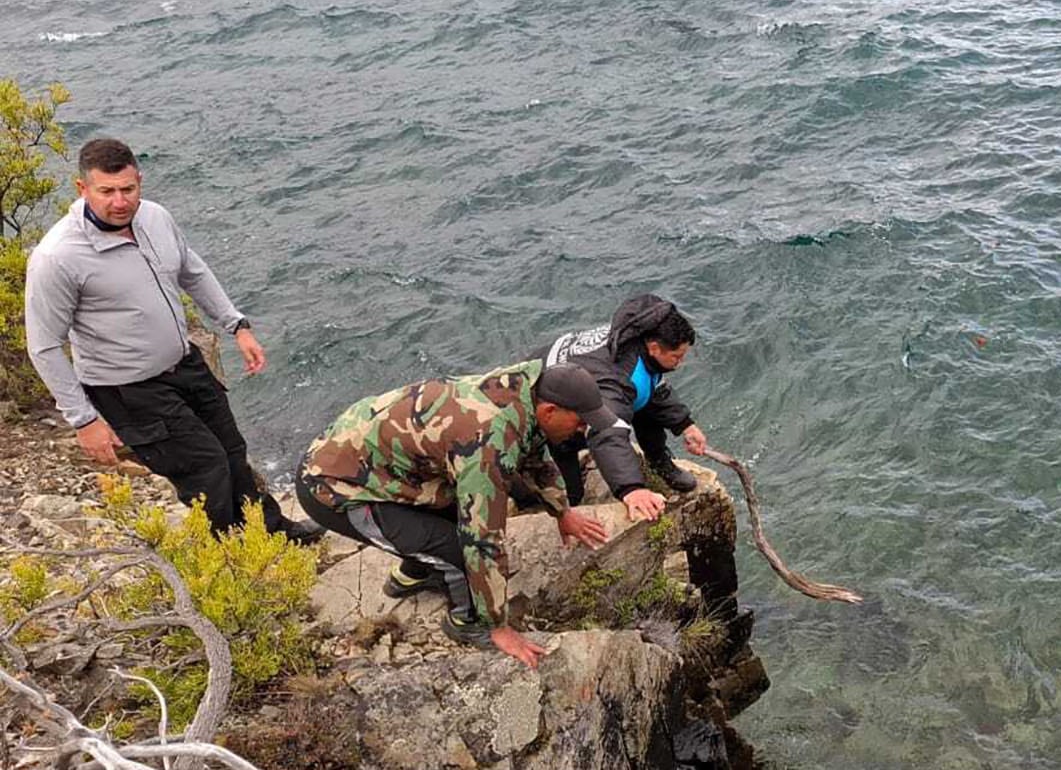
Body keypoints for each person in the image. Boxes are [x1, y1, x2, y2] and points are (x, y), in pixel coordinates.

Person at [24, 137, 323, 543]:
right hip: (128, 389)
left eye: (127, 189)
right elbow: (43, 345)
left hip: (185, 365)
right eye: (106, 191)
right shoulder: (57, 257)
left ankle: (271, 532)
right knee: (206, 468)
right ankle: (230, 560)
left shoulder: (156, 218)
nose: (119, 201)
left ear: (139, 182)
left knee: (232, 452)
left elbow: (192, 272)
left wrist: (237, 326)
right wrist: (84, 420)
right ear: (82, 189)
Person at [294, 360, 615, 666]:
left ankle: (411, 574)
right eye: (580, 422)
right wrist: (497, 624)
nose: (583, 430)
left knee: (451, 516)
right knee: (462, 554)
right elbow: (483, 540)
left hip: (380, 465)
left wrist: (562, 512)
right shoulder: (490, 439)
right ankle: (464, 622)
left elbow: (532, 457)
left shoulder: (521, 392)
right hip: (333, 487)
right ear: (550, 410)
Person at [539, 294, 708, 521]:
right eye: (677, 356)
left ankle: (659, 462)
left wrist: (685, 425)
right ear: (655, 348)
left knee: (646, 404)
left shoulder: (638, 337)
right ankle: (573, 497)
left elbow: (654, 388)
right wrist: (631, 489)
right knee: (567, 445)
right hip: (553, 399)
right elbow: (608, 434)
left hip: (584, 381)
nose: (681, 363)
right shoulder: (617, 377)